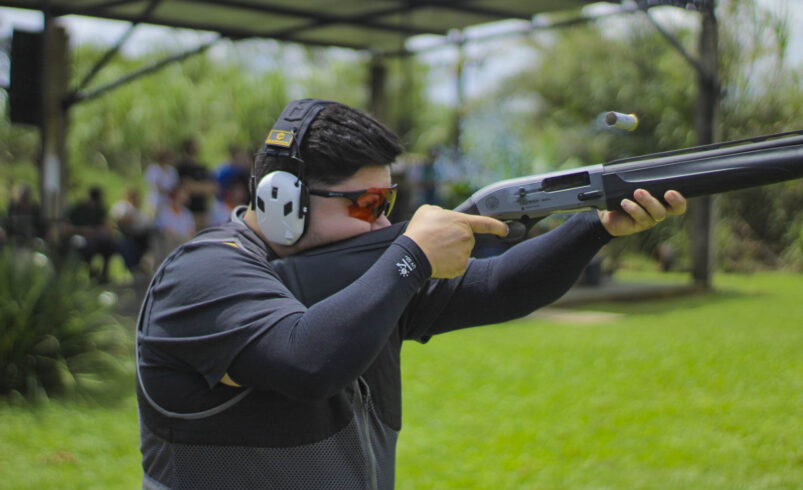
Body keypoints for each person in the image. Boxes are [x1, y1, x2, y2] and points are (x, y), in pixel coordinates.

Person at [136, 100, 686, 489]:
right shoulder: (202, 274)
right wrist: (413, 257)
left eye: (387, 200)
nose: (384, 223)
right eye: (367, 204)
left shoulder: (367, 274)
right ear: (284, 200)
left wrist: (598, 228)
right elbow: (306, 361)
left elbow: (498, 286)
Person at [63, 186, 117, 283]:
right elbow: (66, 228)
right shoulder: (78, 209)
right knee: (89, 246)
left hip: (96, 238)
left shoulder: (100, 210)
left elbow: (107, 226)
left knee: (109, 245)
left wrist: (103, 230)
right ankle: (90, 271)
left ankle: (103, 274)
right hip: (79, 237)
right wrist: (84, 230)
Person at [111, 187, 153, 275]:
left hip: (141, 236)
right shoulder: (122, 206)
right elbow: (121, 221)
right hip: (124, 235)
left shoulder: (139, 212)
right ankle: (133, 269)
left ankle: (145, 265)